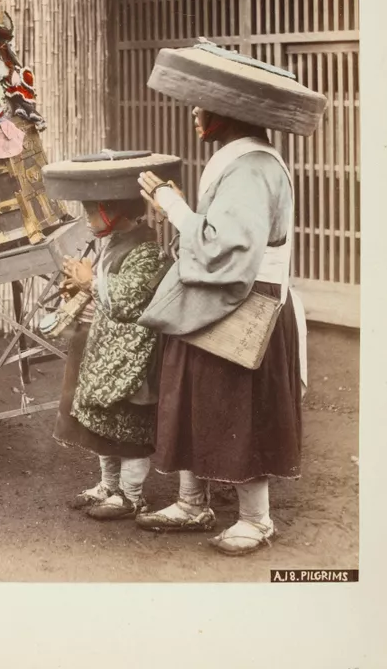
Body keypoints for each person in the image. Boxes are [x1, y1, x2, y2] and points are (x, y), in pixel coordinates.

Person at [134, 40, 325, 555]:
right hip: (220, 295)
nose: (194, 113)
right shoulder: (242, 160)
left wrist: (173, 206)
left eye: (201, 105)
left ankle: (256, 519)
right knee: (194, 392)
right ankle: (192, 502)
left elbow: (226, 248)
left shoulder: (252, 167)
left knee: (238, 404)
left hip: (247, 300)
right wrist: (178, 211)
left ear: (225, 113)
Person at [43, 152, 177, 521]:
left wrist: (91, 282)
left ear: (113, 211)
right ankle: (108, 485)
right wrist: (82, 285)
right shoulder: (114, 243)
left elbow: (127, 300)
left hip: (131, 356)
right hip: (106, 350)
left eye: (92, 212)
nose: (88, 219)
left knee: (129, 429)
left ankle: (131, 495)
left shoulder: (147, 250)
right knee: (103, 424)